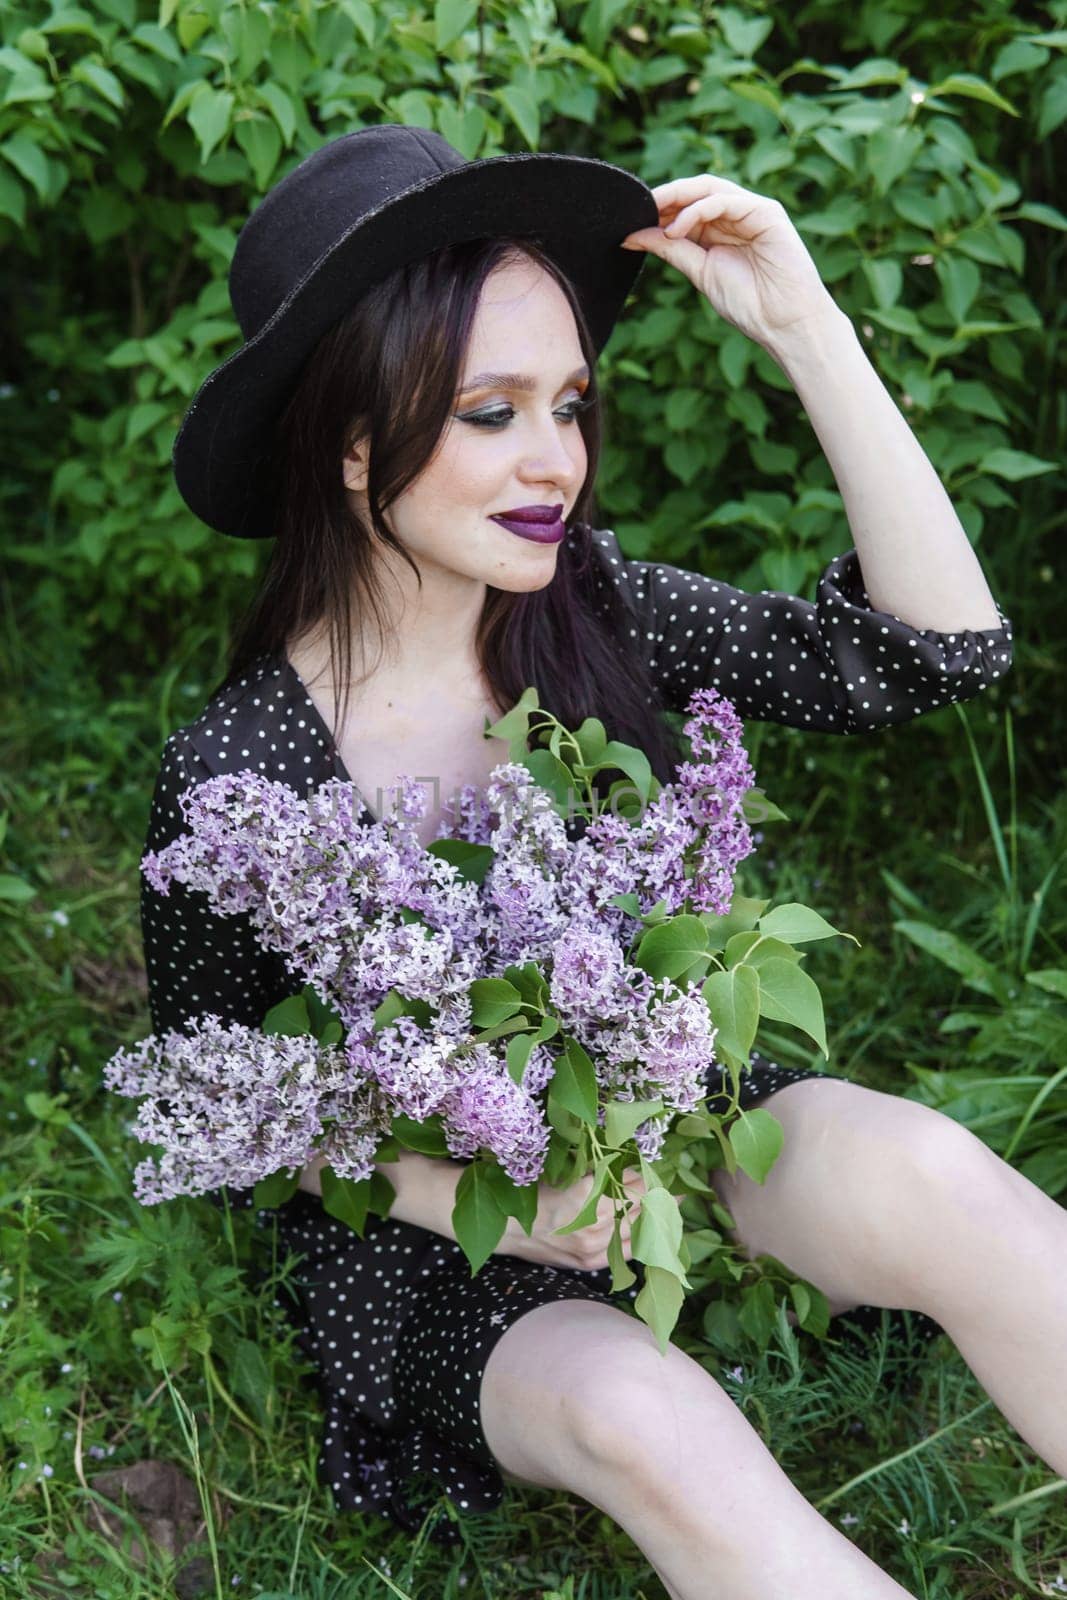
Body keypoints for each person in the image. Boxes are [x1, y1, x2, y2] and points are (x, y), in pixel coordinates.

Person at [140, 126, 1065, 1598]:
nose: (554, 462)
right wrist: (484, 1196)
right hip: (437, 1231)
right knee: (651, 1422)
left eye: (569, 404)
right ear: (354, 438)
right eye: (490, 411)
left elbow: (937, 654)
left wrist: (809, 332)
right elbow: (216, 1100)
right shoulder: (241, 780)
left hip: (670, 1111)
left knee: (936, 1175)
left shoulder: (592, 608)